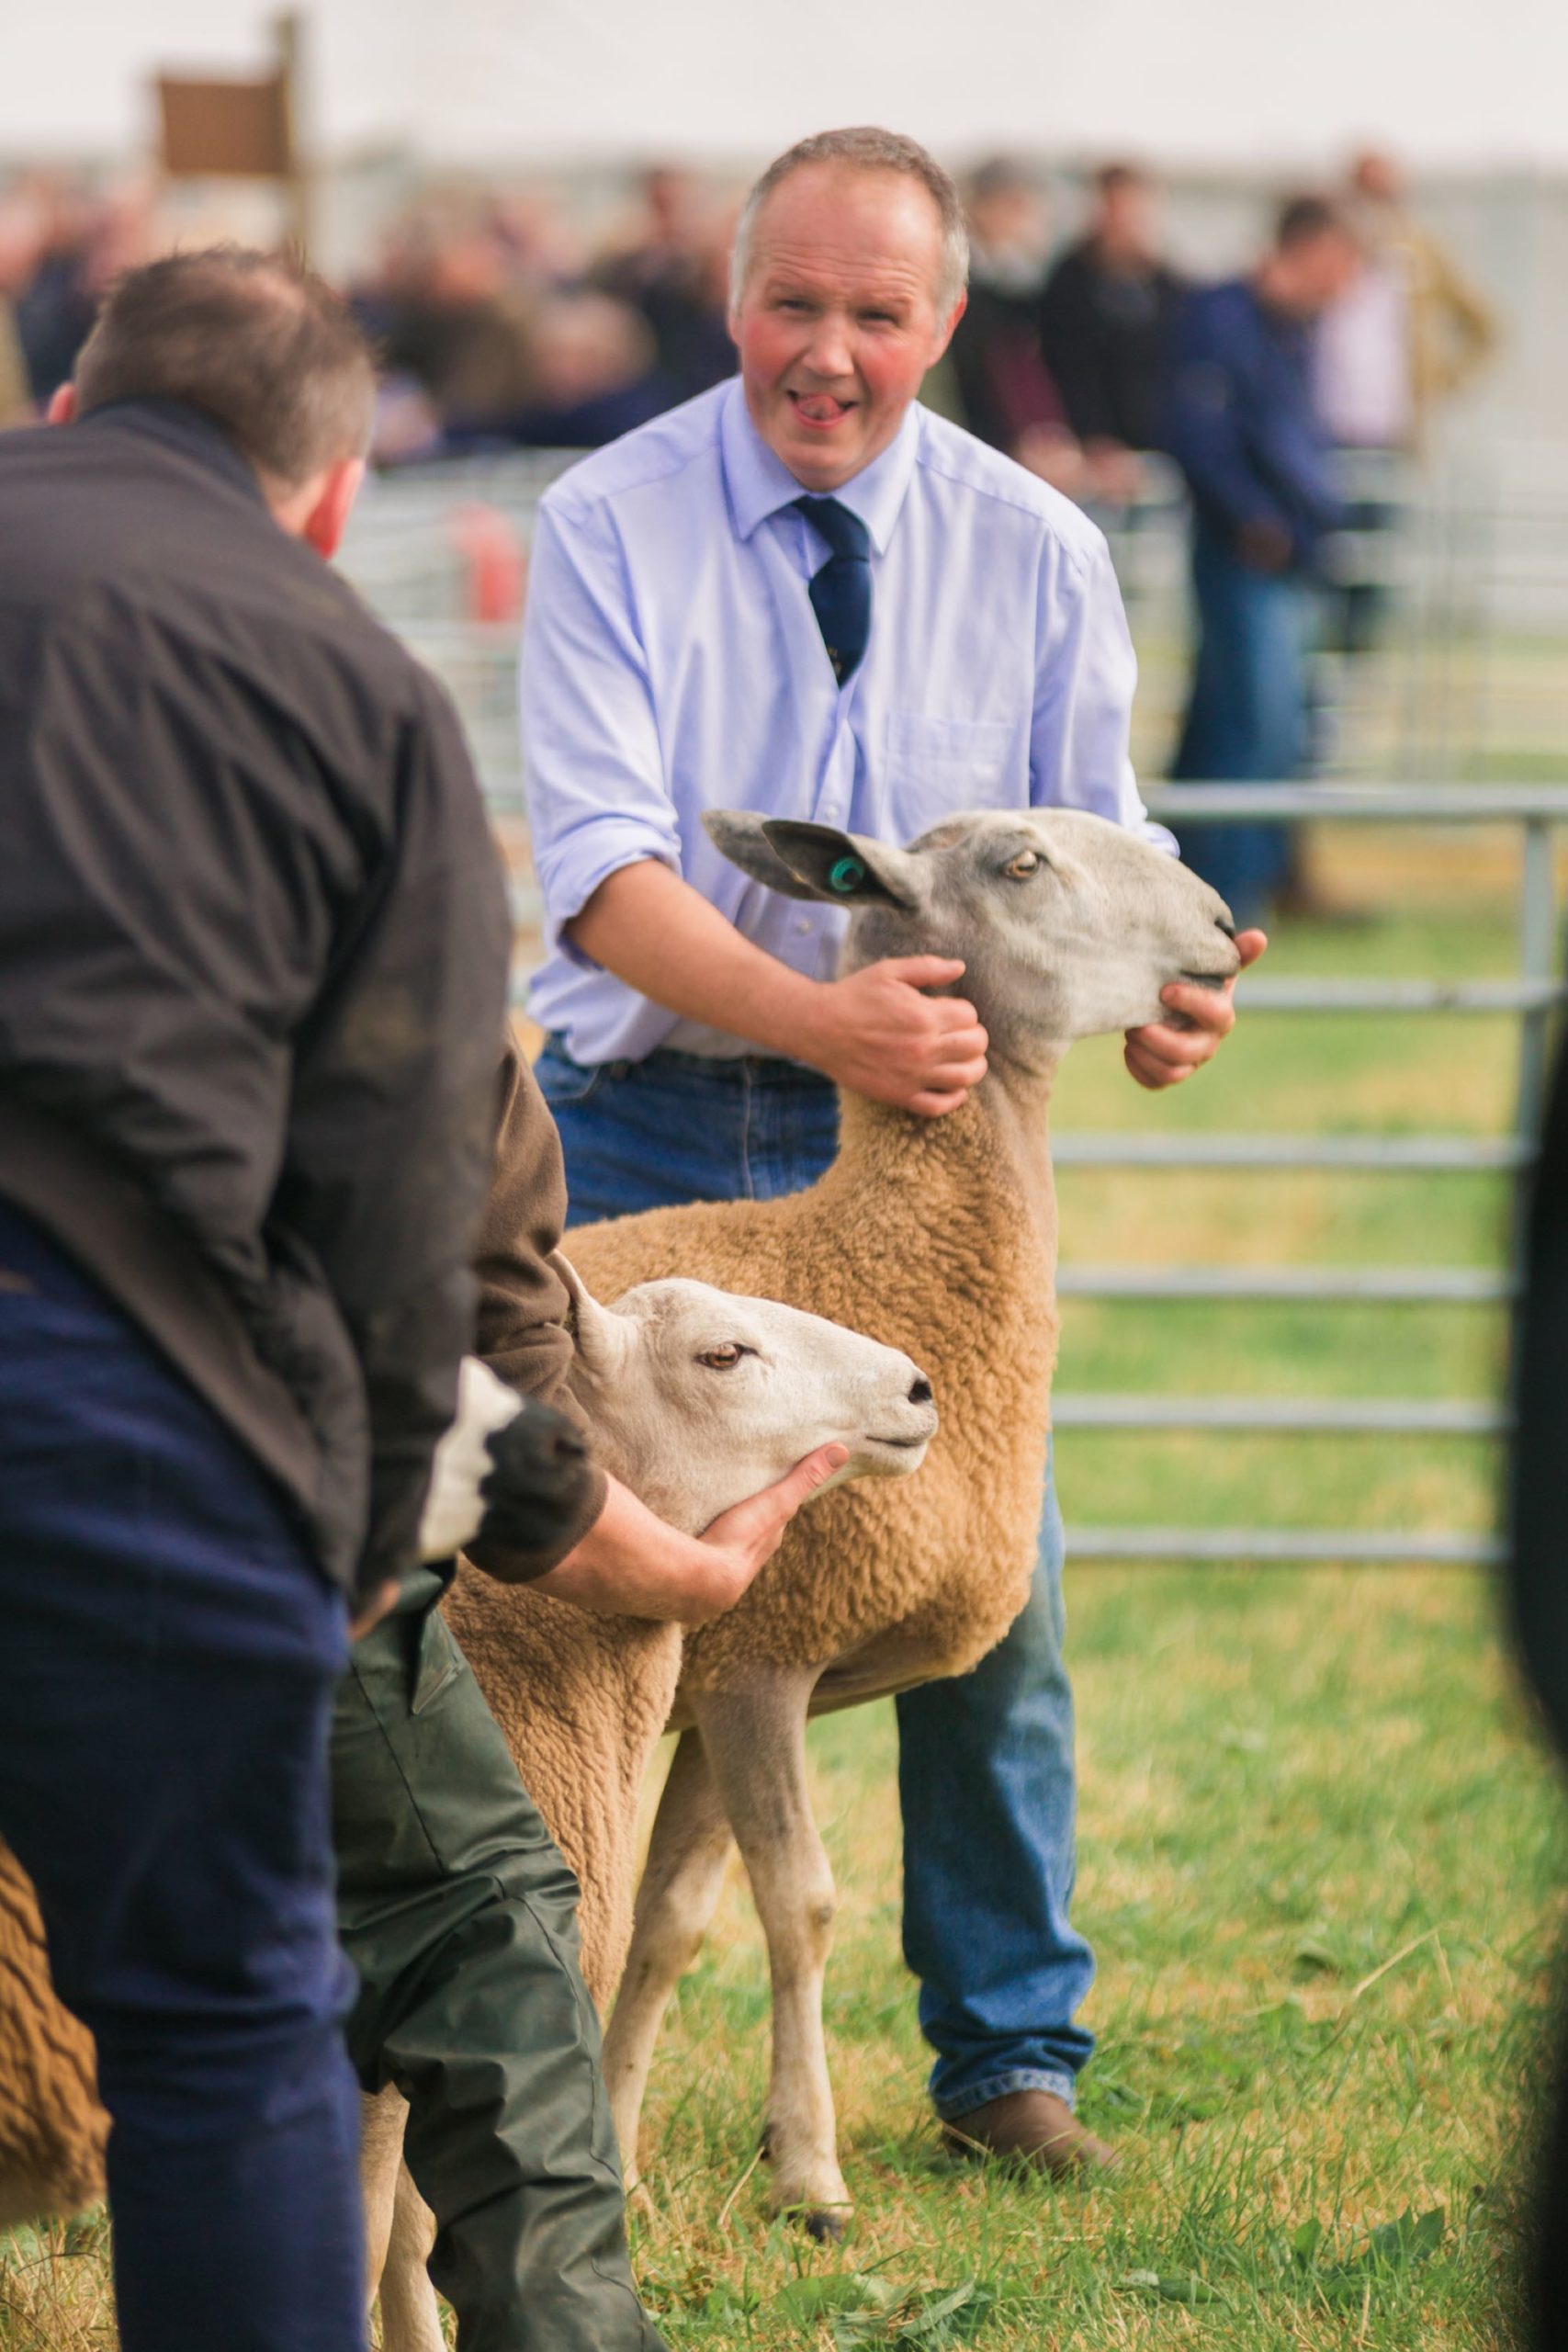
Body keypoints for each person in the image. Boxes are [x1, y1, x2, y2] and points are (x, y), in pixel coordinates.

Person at [520, 124, 1264, 2178]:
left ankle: (1007, 2052)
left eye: (874, 312)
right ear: (730, 299)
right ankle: (498, 2047)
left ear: (943, 319)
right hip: (652, 1122)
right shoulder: (612, 519)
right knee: (555, 1592)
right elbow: (596, 872)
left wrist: (1168, 1000)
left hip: (933, 1151)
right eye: (791, 304)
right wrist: (814, 1011)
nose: (825, 352)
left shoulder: (1033, 545)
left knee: (984, 1582)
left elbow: (1098, 860)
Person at [0, 246, 513, 2352]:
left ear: (64, 410)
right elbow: (404, 1189)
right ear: (326, 489)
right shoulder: (361, 687)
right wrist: (375, 1513)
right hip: (128, 1375)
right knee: (219, 2020)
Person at [336, 1035, 845, 2352]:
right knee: (490, 1934)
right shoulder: (405, 1000)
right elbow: (498, 1423)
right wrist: (676, 1571)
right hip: (277, 1560)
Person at [1163, 194, 1361, 927]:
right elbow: (1196, 433)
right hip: (1241, 552)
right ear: (1307, 251)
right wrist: (1253, 518)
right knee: (1254, 725)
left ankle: (1236, 883)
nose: (1344, 285)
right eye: (1339, 265)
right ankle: (1225, 897)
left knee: (1250, 722)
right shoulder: (1221, 319)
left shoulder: (1292, 331)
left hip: (1287, 551)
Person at [1037, 164, 1185, 497]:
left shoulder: (1168, 285)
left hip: (1157, 450)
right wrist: (1094, 440)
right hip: (1089, 457)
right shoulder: (1068, 283)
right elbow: (1066, 367)